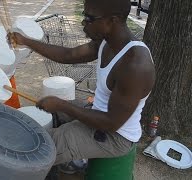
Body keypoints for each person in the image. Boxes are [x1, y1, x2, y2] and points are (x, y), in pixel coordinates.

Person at [9, 0, 155, 166]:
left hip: (116, 136)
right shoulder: (106, 42)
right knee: (49, 116)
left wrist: (62, 105)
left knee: (43, 147)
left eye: (89, 17)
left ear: (112, 20)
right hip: (99, 113)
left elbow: (111, 123)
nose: (83, 22)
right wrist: (26, 41)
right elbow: (68, 55)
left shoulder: (135, 66)